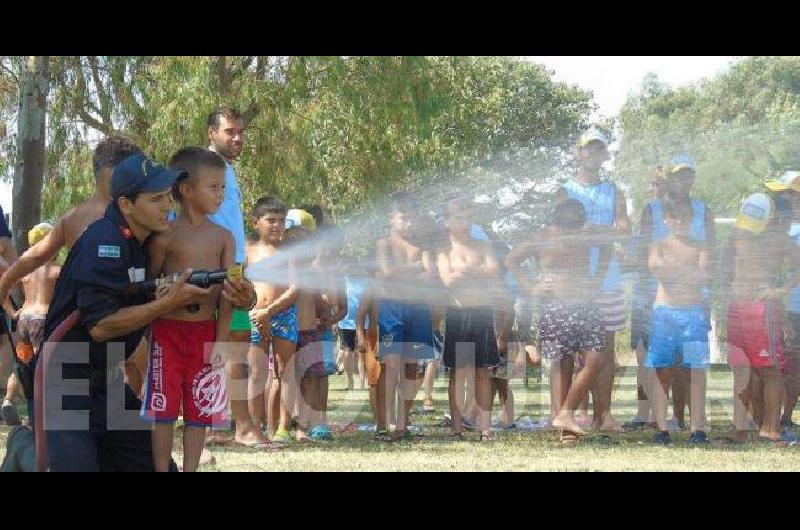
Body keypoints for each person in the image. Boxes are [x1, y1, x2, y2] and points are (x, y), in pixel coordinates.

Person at [40, 154, 212, 471]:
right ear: (126, 205)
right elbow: (101, 327)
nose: (167, 206)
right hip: (67, 377)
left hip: (107, 381)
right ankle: (23, 448)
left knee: (158, 467)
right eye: (155, 199)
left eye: (168, 197)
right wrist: (166, 302)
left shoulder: (143, 241)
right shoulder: (104, 241)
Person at [0, 138, 144, 400]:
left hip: (103, 321)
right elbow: (34, 256)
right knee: (121, 372)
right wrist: (5, 283)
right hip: (94, 321)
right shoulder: (90, 217)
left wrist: (5, 283)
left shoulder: (82, 217)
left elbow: (33, 257)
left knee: (115, 378)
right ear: (113, 175)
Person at [142, 147, 234, 471]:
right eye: (214, 186)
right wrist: (167, 290)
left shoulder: (225, 238)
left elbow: (229, 295)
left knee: (200, 410)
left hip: (206, 333)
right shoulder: (163, 236)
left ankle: (190, 468)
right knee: (162, 410)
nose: (220, 194)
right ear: (186, 189)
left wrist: (221, 340)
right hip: (166, 333)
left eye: (223, 187)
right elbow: (148, 286)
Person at [507, 199, 608, 439]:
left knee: (596, 359)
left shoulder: (587, 234)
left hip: (586, 305)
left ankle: (565, 413)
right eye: (568, 229)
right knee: (562, 365)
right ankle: (566, 428)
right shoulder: (542, 237)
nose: (572, 234)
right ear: (558, 222)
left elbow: (608, 248)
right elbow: (511, 260)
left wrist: (597, 278)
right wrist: (533, 286)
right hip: (555, 307)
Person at [562, 127, 631, 432]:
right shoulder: (564, 189)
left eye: (598, 148)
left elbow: (625, 228)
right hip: (574, 282)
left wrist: (591, 230)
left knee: (605, 352)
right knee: (576, 353)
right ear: (579, 153)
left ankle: (604, 415)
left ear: (604, 154)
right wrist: (599, 231)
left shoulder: (614, 190)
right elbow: (562, 231)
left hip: (608, 282)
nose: (592, 153)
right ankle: (568, 413)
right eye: (587, 148)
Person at [206, 106, 263, 445]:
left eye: (240, 131)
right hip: (216, 271)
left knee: (234, 347)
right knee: (224, 348)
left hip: (235, 271)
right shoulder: (203, 168)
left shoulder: (227, 170)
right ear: (211, 133)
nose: (238, 137)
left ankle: (221, 426)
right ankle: (239, 427)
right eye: (230, 131)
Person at [724, 193, 798, 444]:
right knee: (741, 369)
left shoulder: (779, 240)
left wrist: (778, 291)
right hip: (736, 308)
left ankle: (771, 429)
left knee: (769, 371)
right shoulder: (737, 234)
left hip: (761, 310)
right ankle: (740, 428)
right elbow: (726, 269)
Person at [438, 194, 510, 442]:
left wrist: (465, 270)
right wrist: (477, 272)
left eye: (468, 216)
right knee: (458, 372)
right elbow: (449, 281)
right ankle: (457, 429)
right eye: (458, 216)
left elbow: (493, 272)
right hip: (458, 315)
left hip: (482, 312)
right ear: (447, 221)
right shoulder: (444, 250)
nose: (465, 221)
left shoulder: (484, 245)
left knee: (482, 372)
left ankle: (484, 428)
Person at [645, 192, 712, 445]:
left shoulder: (701, 246)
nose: (681, 222)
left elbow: (704, 275)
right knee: (662, 370)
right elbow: (656, 269)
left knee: (695, 370)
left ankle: (698, 429)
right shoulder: (658, 245)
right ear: (666, 219)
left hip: (693, 315)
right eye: (675, 217)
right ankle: (662, 428)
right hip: (664, 314)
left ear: (691, 219)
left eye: (686, 217)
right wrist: (686, 272)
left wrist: (674, 272)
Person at [375, 192, 438, 441]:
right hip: (391, 309)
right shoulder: (385, 244)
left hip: (418, 309)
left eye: (412, 215)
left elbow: (431, 274)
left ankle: (403, 423)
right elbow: (386, 274)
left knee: (412, 366)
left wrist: (401, 274)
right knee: (391, 365)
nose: (408, 221)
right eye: (403, 216)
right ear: (391, 217)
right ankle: (389, 424)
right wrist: (414, 268)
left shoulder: (423, 246)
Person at [248, 198, 300, 444]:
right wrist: (249, 316)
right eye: (271, 220)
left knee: (285, 371)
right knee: (256, 374)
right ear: (256, 222)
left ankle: (281, 428)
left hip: (283, 314)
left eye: (281, 221)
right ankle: (253, 427)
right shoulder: (247, 251)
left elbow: (296, 288)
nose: (277, 225)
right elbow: (238, 286)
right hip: (253, 317)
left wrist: (270, 311)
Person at [2, 223, 60, 426]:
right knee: (44, 368)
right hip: (43, 321)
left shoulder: (25, 273)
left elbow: (4, 287)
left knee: (22, 365)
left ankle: (9, 399)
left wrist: (12, 312)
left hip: (24, 321)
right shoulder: (57, 271)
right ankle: (43, 415)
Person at [765, 171, 800, 429]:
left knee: (792, 365)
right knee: (776, 364)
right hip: (779, 308)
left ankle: (785, 418)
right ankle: (772, 419)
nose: (775, 199)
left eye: (781, 194)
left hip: (792, 308)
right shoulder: (774, 228)